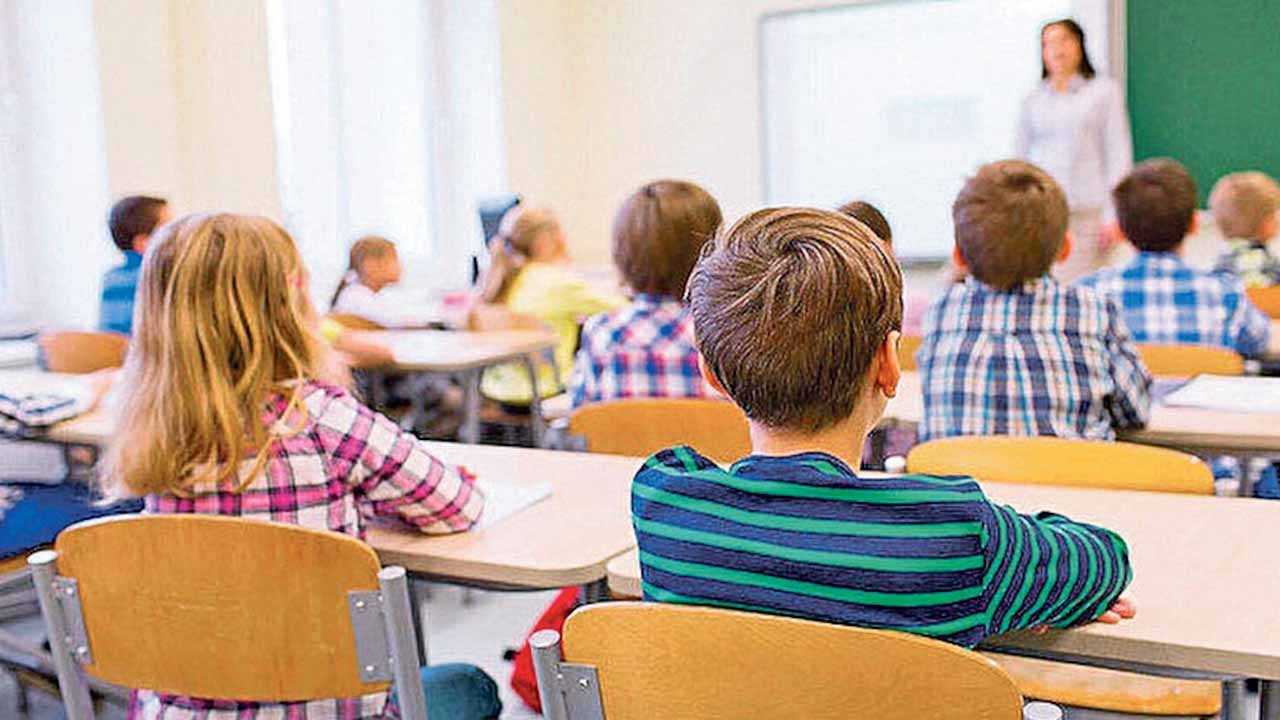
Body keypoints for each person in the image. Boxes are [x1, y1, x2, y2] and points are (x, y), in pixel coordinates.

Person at [632, 206, 1135, 648]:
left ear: (712, 375)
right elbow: (1106, 560)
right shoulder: (956, 535)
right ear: (889, 365)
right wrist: (1022, 591)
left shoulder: (665, 504)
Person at [99, 213, 500, 720]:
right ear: (290, 302)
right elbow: (458, 507)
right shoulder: (320, 418)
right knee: (469, 687)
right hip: (321, 708)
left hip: (177, 710)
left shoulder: (148, 432)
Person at [918, 160, 1149, 441]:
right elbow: (1135, 410)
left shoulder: (940, 312)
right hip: (1069, 470)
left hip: (960, 471)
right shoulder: (1092, 311)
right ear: (1065, 249)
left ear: (958, 256)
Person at [1079, 159, 1277, 359]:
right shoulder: (1227, 294)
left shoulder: (1087, 296)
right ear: (1194, 224)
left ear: (1120, 230)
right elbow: (1262, 342)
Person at [570, 180, 721, 407]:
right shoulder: (722, 335)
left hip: (622, 433)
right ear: (712, 248)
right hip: (716, 432)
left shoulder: (603, 333)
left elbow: (581, 415)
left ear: (624, 252)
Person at [1015, 19, 1132, 281]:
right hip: (1045, 214)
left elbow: (1118, 153)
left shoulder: (1103, 92)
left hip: (1090, 214)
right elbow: (1020, 160)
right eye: (1048, 43)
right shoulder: (1033, 100)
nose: (1057, 49)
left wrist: (1114, 215)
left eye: (1064, 40)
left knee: (1089, 286)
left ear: (1079, 45)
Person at [476, 206, 624, 406]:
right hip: (547, 390)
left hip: (497, 390)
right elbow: (626, 309)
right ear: (544, 242)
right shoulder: (557, 281)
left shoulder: (500, 278)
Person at [100, 196, 170, 335]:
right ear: (143, 243)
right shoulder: (157, 276)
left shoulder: (111, 277)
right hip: (141, 347)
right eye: (169, 228)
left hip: (111, 348)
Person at [1210, 171, 1280, 288]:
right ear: (1266, 224)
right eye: (1274, 215)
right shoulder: (1261, 263)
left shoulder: (1223, 259)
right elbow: (1257, 296)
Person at [330, 235, 404, 325]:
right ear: (370, 265)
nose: (400, 267)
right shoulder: (356, 297)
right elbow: (392, 322)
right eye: (394, 259)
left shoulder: (364, 295)